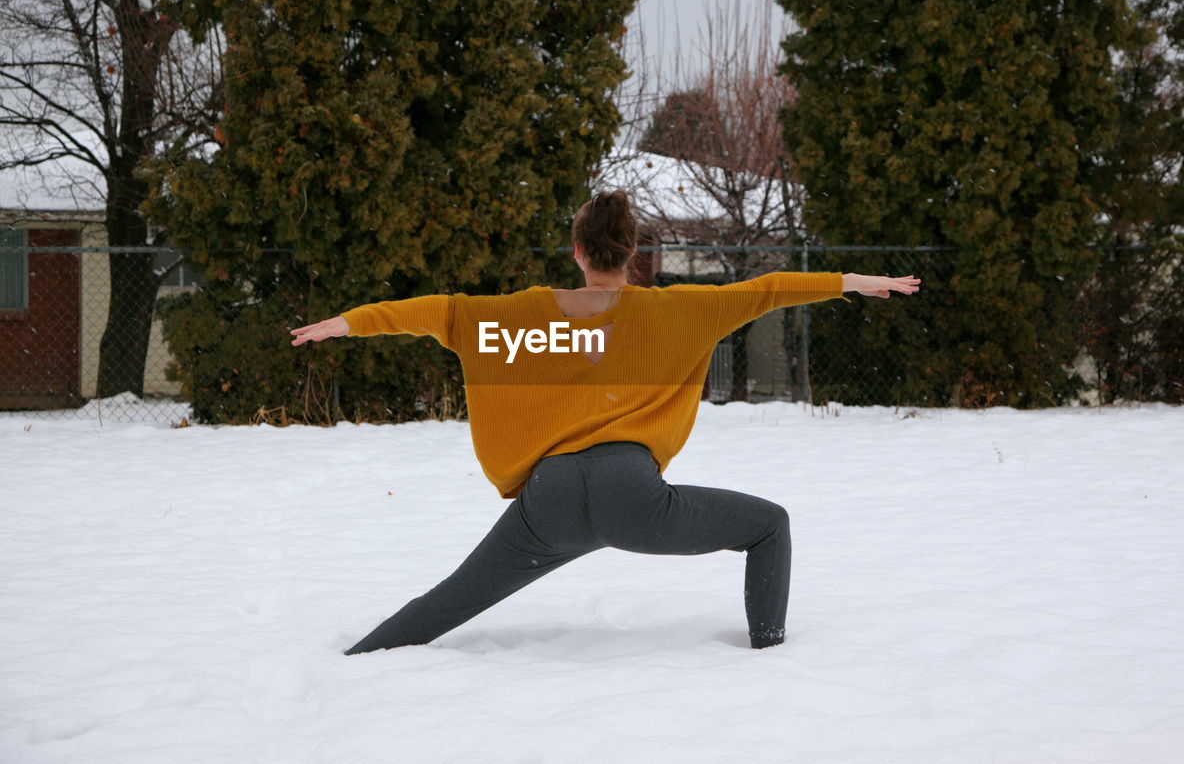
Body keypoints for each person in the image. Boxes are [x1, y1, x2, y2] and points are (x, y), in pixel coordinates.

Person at [290, 190, 920, 653]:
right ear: (634, 252)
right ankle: (770, 654)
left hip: (550, 501)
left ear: (577, 251)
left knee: (448, 602)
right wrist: (853, 282)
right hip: (635, 498)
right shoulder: (677, 312)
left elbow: (433, 312)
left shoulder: (523, 318)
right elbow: (769, 288)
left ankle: (357, 662)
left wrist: (349, 321)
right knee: (768, 527)